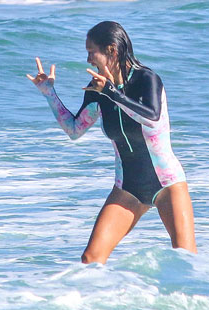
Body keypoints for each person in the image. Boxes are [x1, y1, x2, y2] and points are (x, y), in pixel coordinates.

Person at [27, 21, 197, 264]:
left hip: (167, 184)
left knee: (186, 260)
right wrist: (49, 93)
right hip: (128, 189)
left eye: (91, 52)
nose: (87, 59)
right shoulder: (97, 91)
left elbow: (151, 117)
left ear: (111, 51)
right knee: (91, 258)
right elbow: (74, 130)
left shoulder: (145, 79)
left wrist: (112, 92)